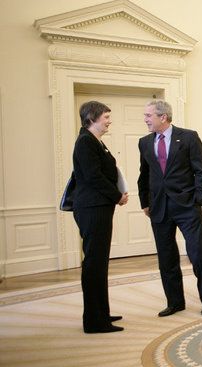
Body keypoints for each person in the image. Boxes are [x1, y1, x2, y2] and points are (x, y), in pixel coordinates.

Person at [137, 100, 202, 317]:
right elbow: (144, 174)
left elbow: (201, 170)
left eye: (148, 116)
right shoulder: (144, 142)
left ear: (163, 117)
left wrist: (198, 199)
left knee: (198, 254)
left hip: (187, 206)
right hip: (159, 208)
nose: (145, 119)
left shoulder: (188, 137)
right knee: (166, 257)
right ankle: (175, 302)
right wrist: (145, 201)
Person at [72, 101, 129, 334]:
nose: (109, 120)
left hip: (98, 207)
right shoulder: (85, 142)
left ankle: (101, 312)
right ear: (92, 118)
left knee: (99, 263)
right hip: (92, 208)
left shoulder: (94, 141)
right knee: (94, 264)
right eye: (106, 116)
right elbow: (94, 177)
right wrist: (117, 196)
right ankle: (94, 321)